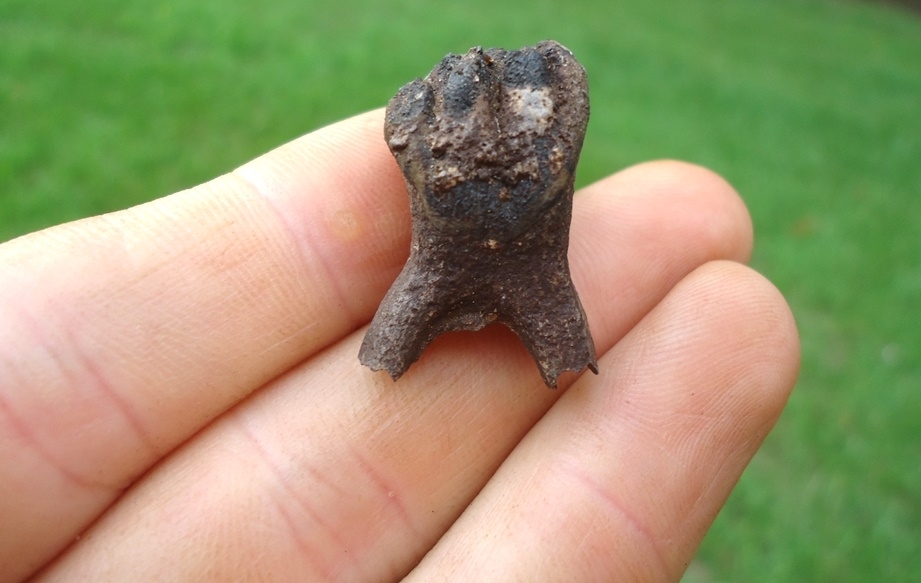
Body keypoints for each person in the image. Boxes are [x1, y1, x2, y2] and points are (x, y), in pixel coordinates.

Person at [0, 110, 798, 582]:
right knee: (396, 343)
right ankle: (416, 358)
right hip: (436, 265)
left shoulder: (547, 94)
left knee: (555, 342)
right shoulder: (425, 112)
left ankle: (549, 364)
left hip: (530, 272)